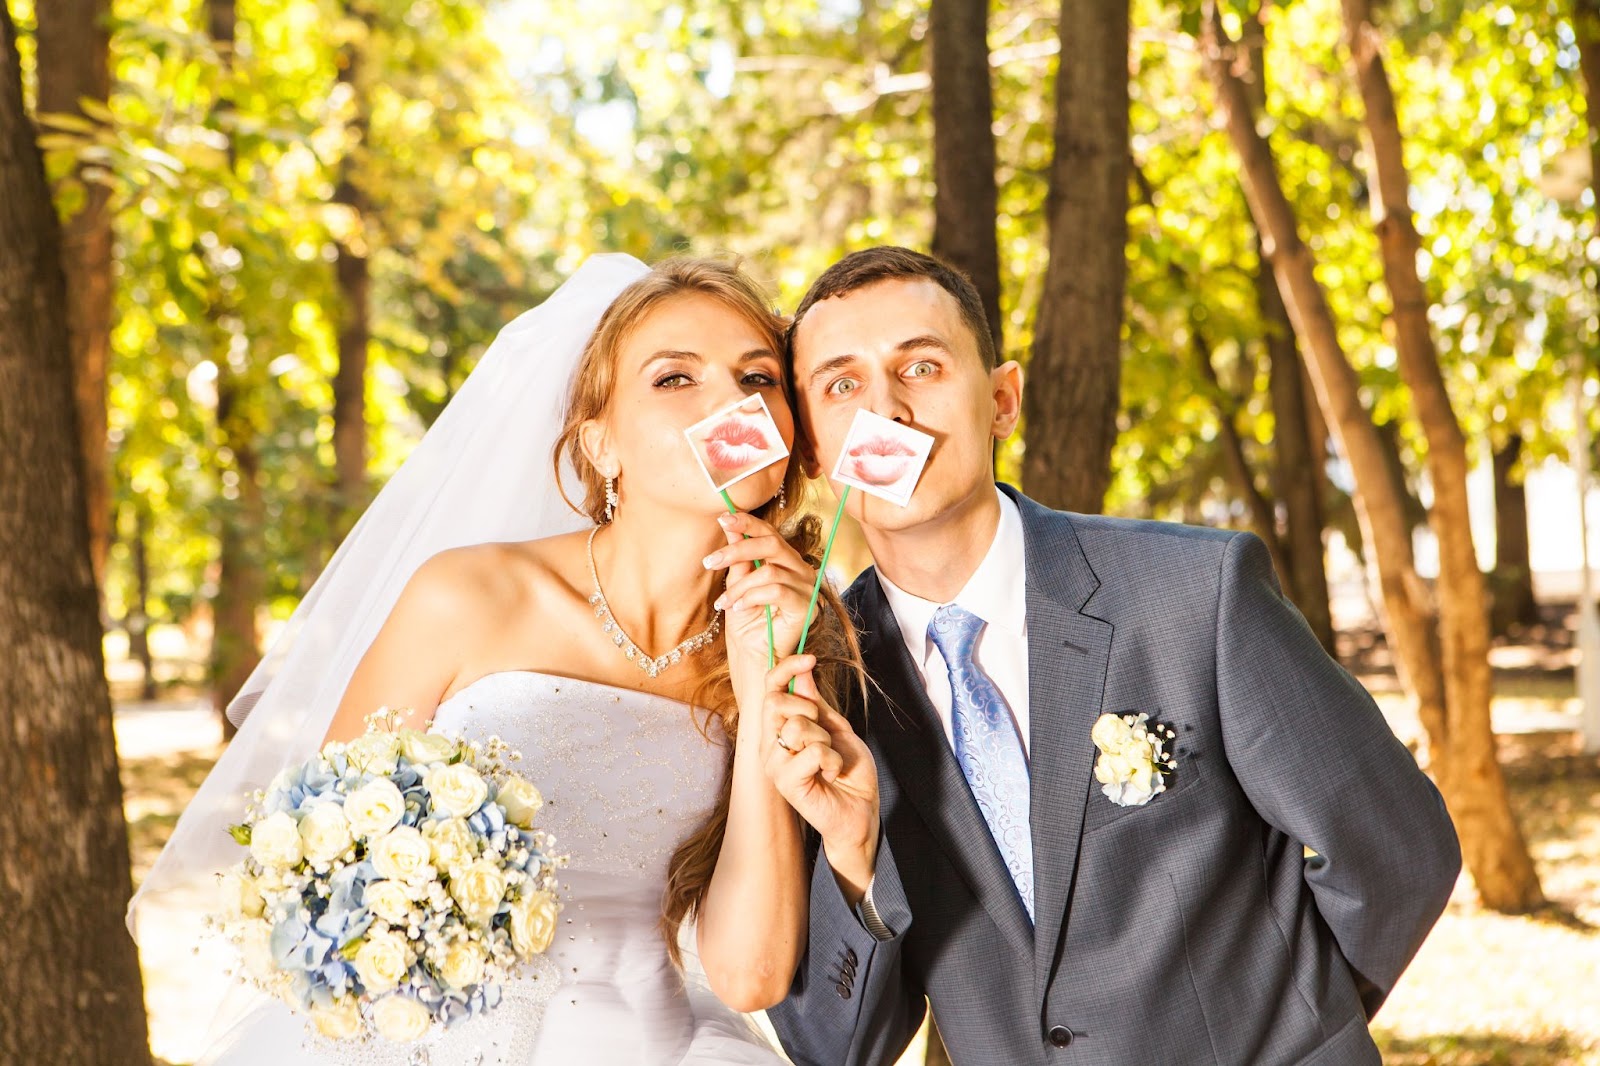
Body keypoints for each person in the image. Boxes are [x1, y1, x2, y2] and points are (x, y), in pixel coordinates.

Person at [132, 254, 859, 1065]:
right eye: (674, 379)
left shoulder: (794, 645)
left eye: (758, 378)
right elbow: (312, 858)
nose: (731, 400)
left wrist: (762, 689)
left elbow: (750, 975)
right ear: (601, 443)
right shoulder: (466, 595)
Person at [760, 246, 1463, 1065]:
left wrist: (1298, 1030)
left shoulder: (1197, 593)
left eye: (920, 366)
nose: (886, 410)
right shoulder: (829, 689)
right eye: (842, 385)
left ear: (1002, 401)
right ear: (811, 449)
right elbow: (832, 1047)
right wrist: (850, 862)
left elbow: (1398, 851)